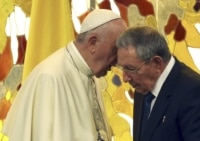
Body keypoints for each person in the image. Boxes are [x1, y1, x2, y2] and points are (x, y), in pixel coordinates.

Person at [2, 9, 127, 141]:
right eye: (115, 50)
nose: (118, 60)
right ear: (93, 43)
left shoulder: (90, 74)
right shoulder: (50, 78)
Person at [115, 26, 200, 141]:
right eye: (122, 68)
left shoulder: (196, 93)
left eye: (130, 69)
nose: (125, 78)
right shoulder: (142, 87)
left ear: (156, 63)